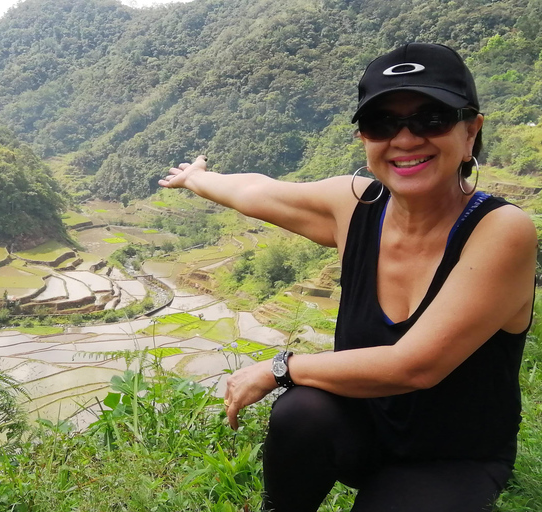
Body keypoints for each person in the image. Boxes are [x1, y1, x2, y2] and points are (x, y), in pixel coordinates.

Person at [159, 43, 537, 512]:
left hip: (453, 456)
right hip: (364, 427)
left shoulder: (501, 231)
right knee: (302, 411)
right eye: (382, 123)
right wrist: (196, 178)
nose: (404, 139)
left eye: (431, 118)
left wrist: (279, 368)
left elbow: (415, 366)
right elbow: (255, 190)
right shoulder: (354, 206)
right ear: (364, 138)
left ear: (470, 131)